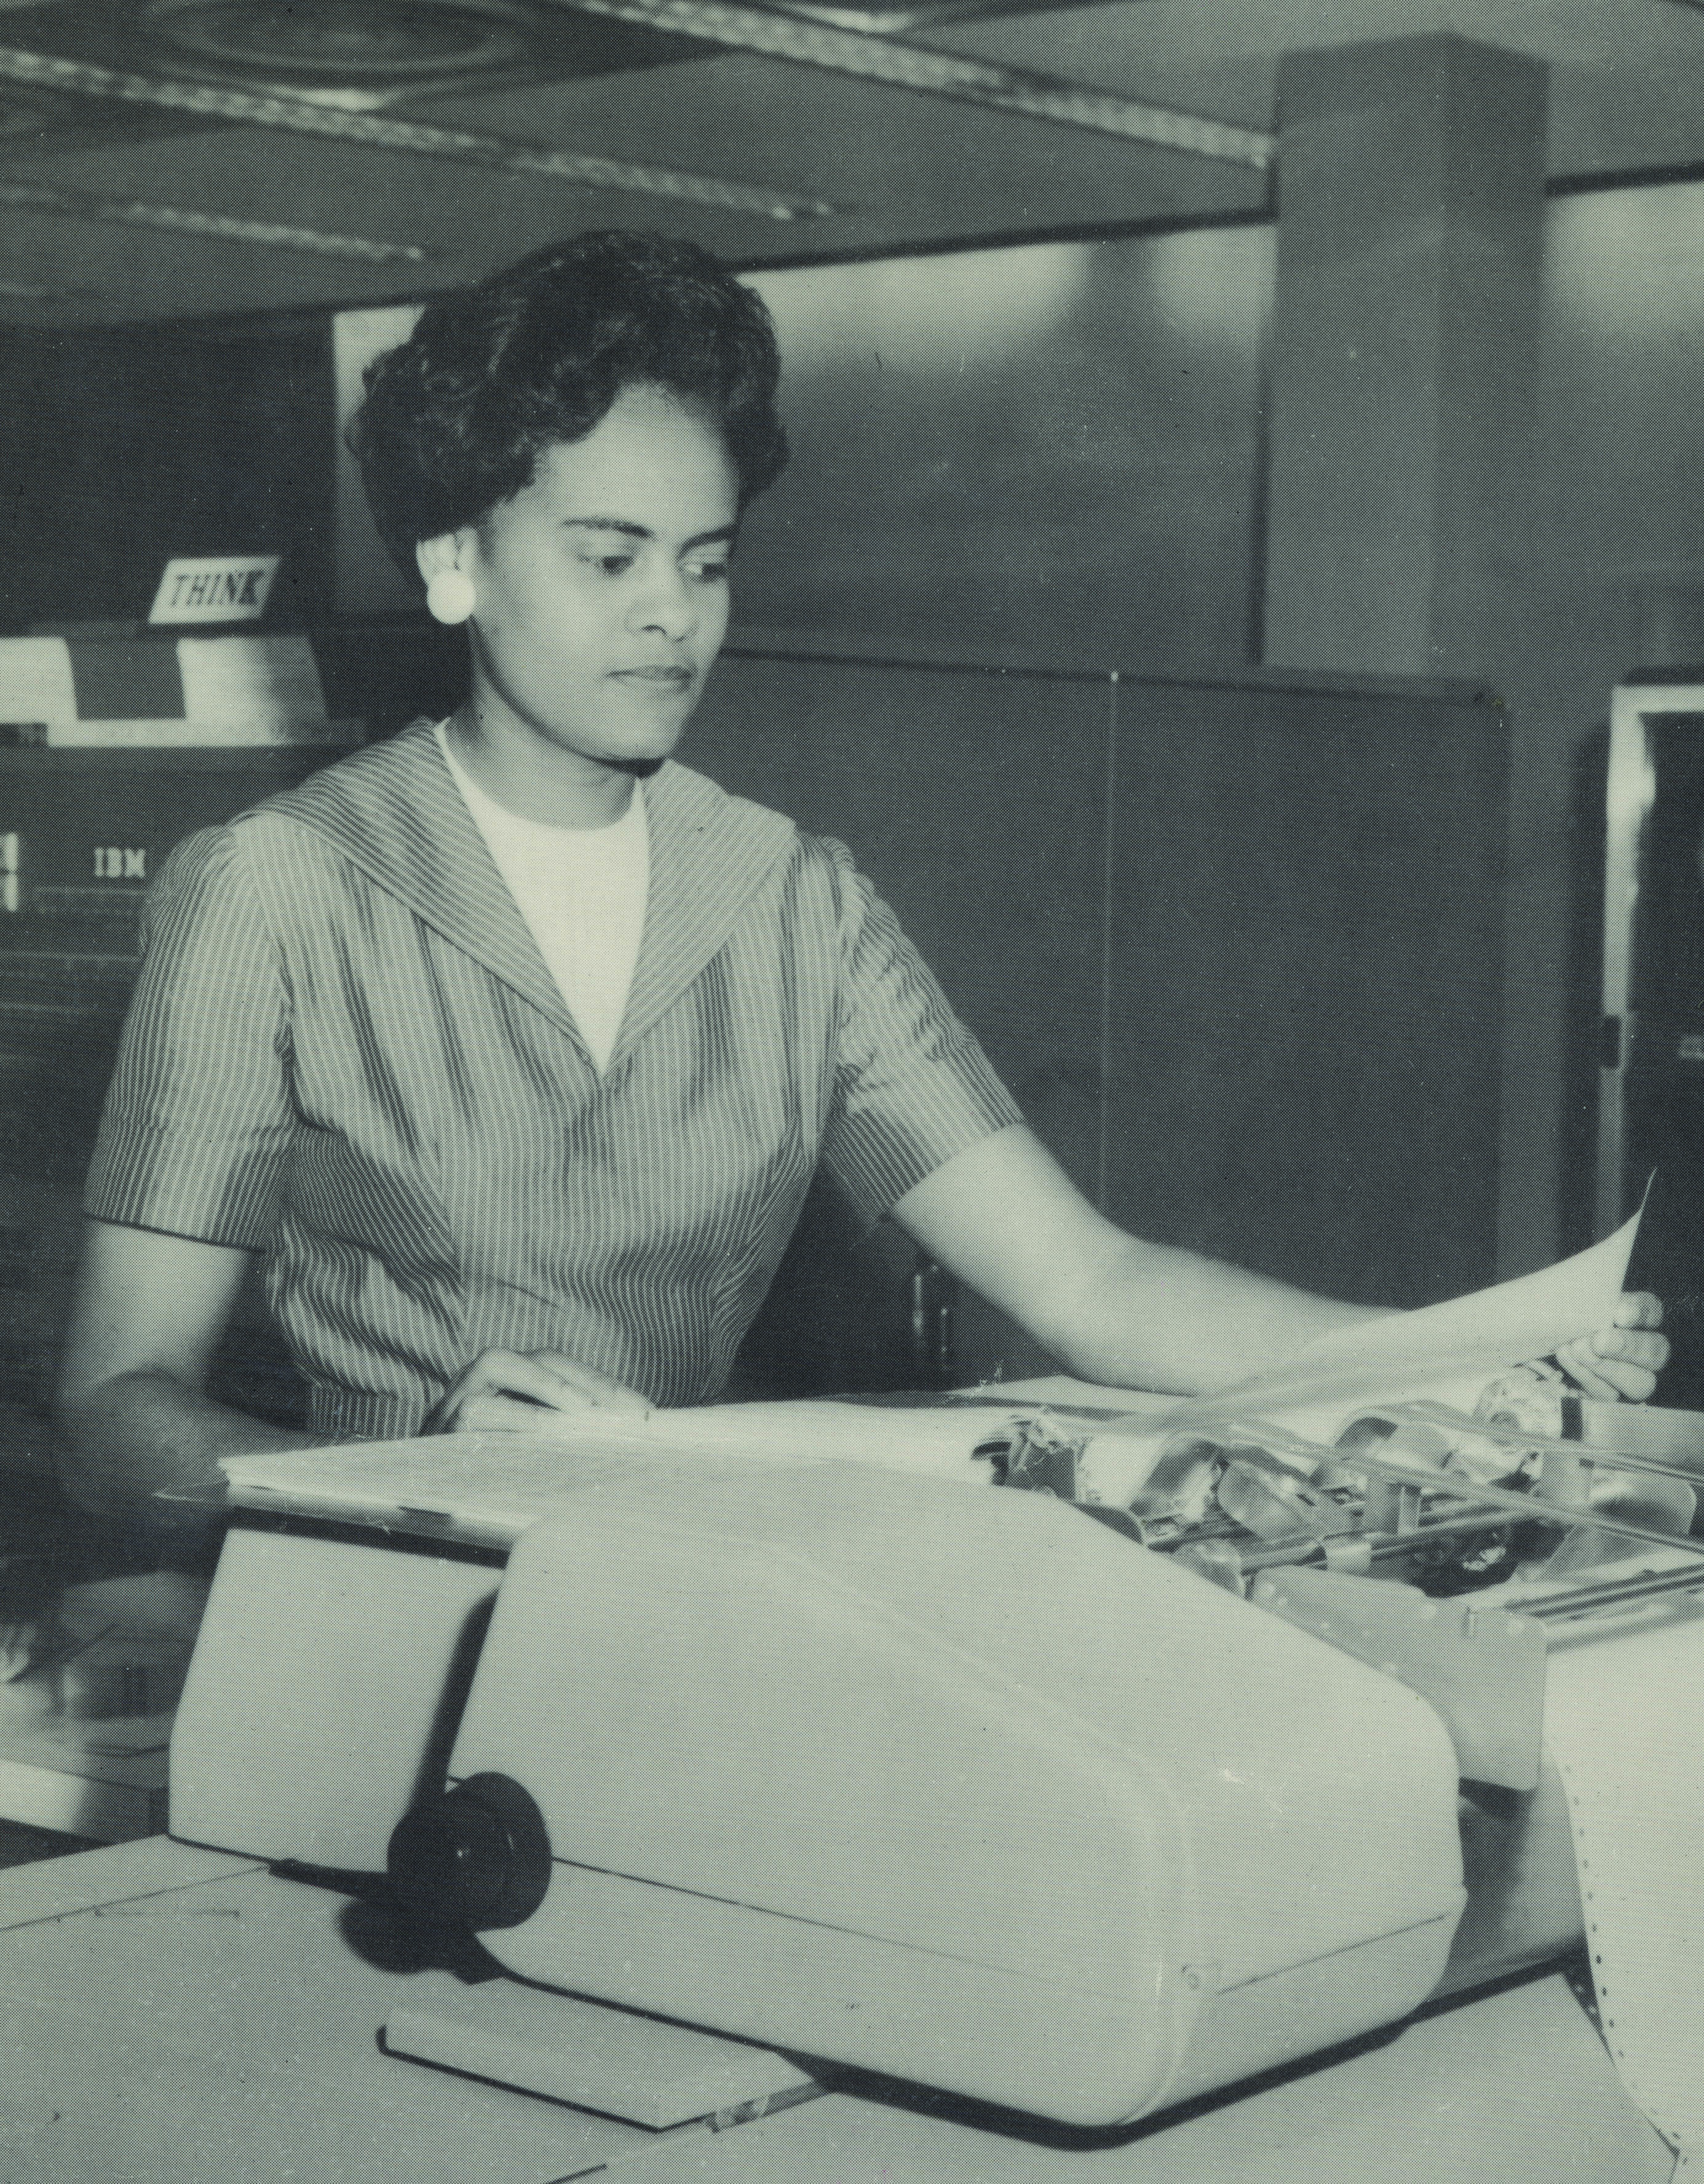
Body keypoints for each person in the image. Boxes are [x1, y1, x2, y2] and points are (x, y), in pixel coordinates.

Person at [53, 230, 1666, 1534]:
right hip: (368, 1640)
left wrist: (1458, 1367)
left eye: (706, 560)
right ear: (455, 565)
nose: (673, 615)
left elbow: (1091, 1280)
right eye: (609, 558)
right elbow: (118, 1398)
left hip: (694, 1604)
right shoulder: (277, 892)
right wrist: (398, 1470)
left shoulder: (790, 903)